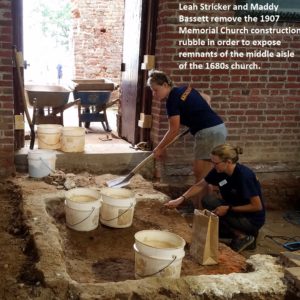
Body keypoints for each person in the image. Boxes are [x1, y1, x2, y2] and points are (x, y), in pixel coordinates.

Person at [164, 144, 265, 253]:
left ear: (228, 162)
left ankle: (243, 236)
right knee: (208, 201)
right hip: (232, 208)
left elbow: (257, 206)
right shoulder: (219, 171)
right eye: (212, 161)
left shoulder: (244, 176)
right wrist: (181, 199)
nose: (213, 165)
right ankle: (237, 232)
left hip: (250, 219)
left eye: (215, 163)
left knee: (217, 214)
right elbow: (200, 185)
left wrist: (229, 209)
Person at [147, 70, 227, 182]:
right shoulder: (184, 89)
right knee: (207, 172)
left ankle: (201, 199)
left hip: (208, 133)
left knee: (201, 175)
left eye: (155, 90)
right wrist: (201, 113)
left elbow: (174, 130)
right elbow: (207, 97)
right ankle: (208, 197)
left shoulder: (172, 101)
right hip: (218, 127)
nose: (154, 94)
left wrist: (160, 148)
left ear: (165, 85)